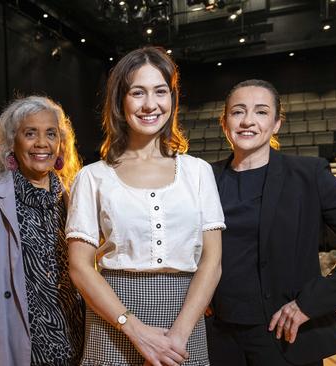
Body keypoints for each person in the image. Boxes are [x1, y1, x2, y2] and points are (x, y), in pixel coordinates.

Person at [206, 79, 336, 366]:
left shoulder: (307, 175)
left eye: (260, 112)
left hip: (282, 334)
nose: (247, 121)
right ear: (224, 122)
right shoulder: (205, 177)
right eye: (237, 112)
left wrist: (311, 303)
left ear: (276, 123)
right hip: (217, 334)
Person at [67, 46, 224, 366]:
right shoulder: (92, 176)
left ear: (172, 99)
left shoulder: (198, 172)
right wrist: (135, 330)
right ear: (120, 101)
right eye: (138, 92)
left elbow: (212, 261)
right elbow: (80, 266)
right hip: (113, 319)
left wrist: (179, 335)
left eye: (160, 91)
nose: (150, 104)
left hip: (185, 316)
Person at [0, 96, 85, 365]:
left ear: (60, 144)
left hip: (78, 343)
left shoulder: (75, 197)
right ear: (12, 142)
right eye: (30, 133)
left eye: (51, 134)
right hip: (21, 350)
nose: (41, 143)